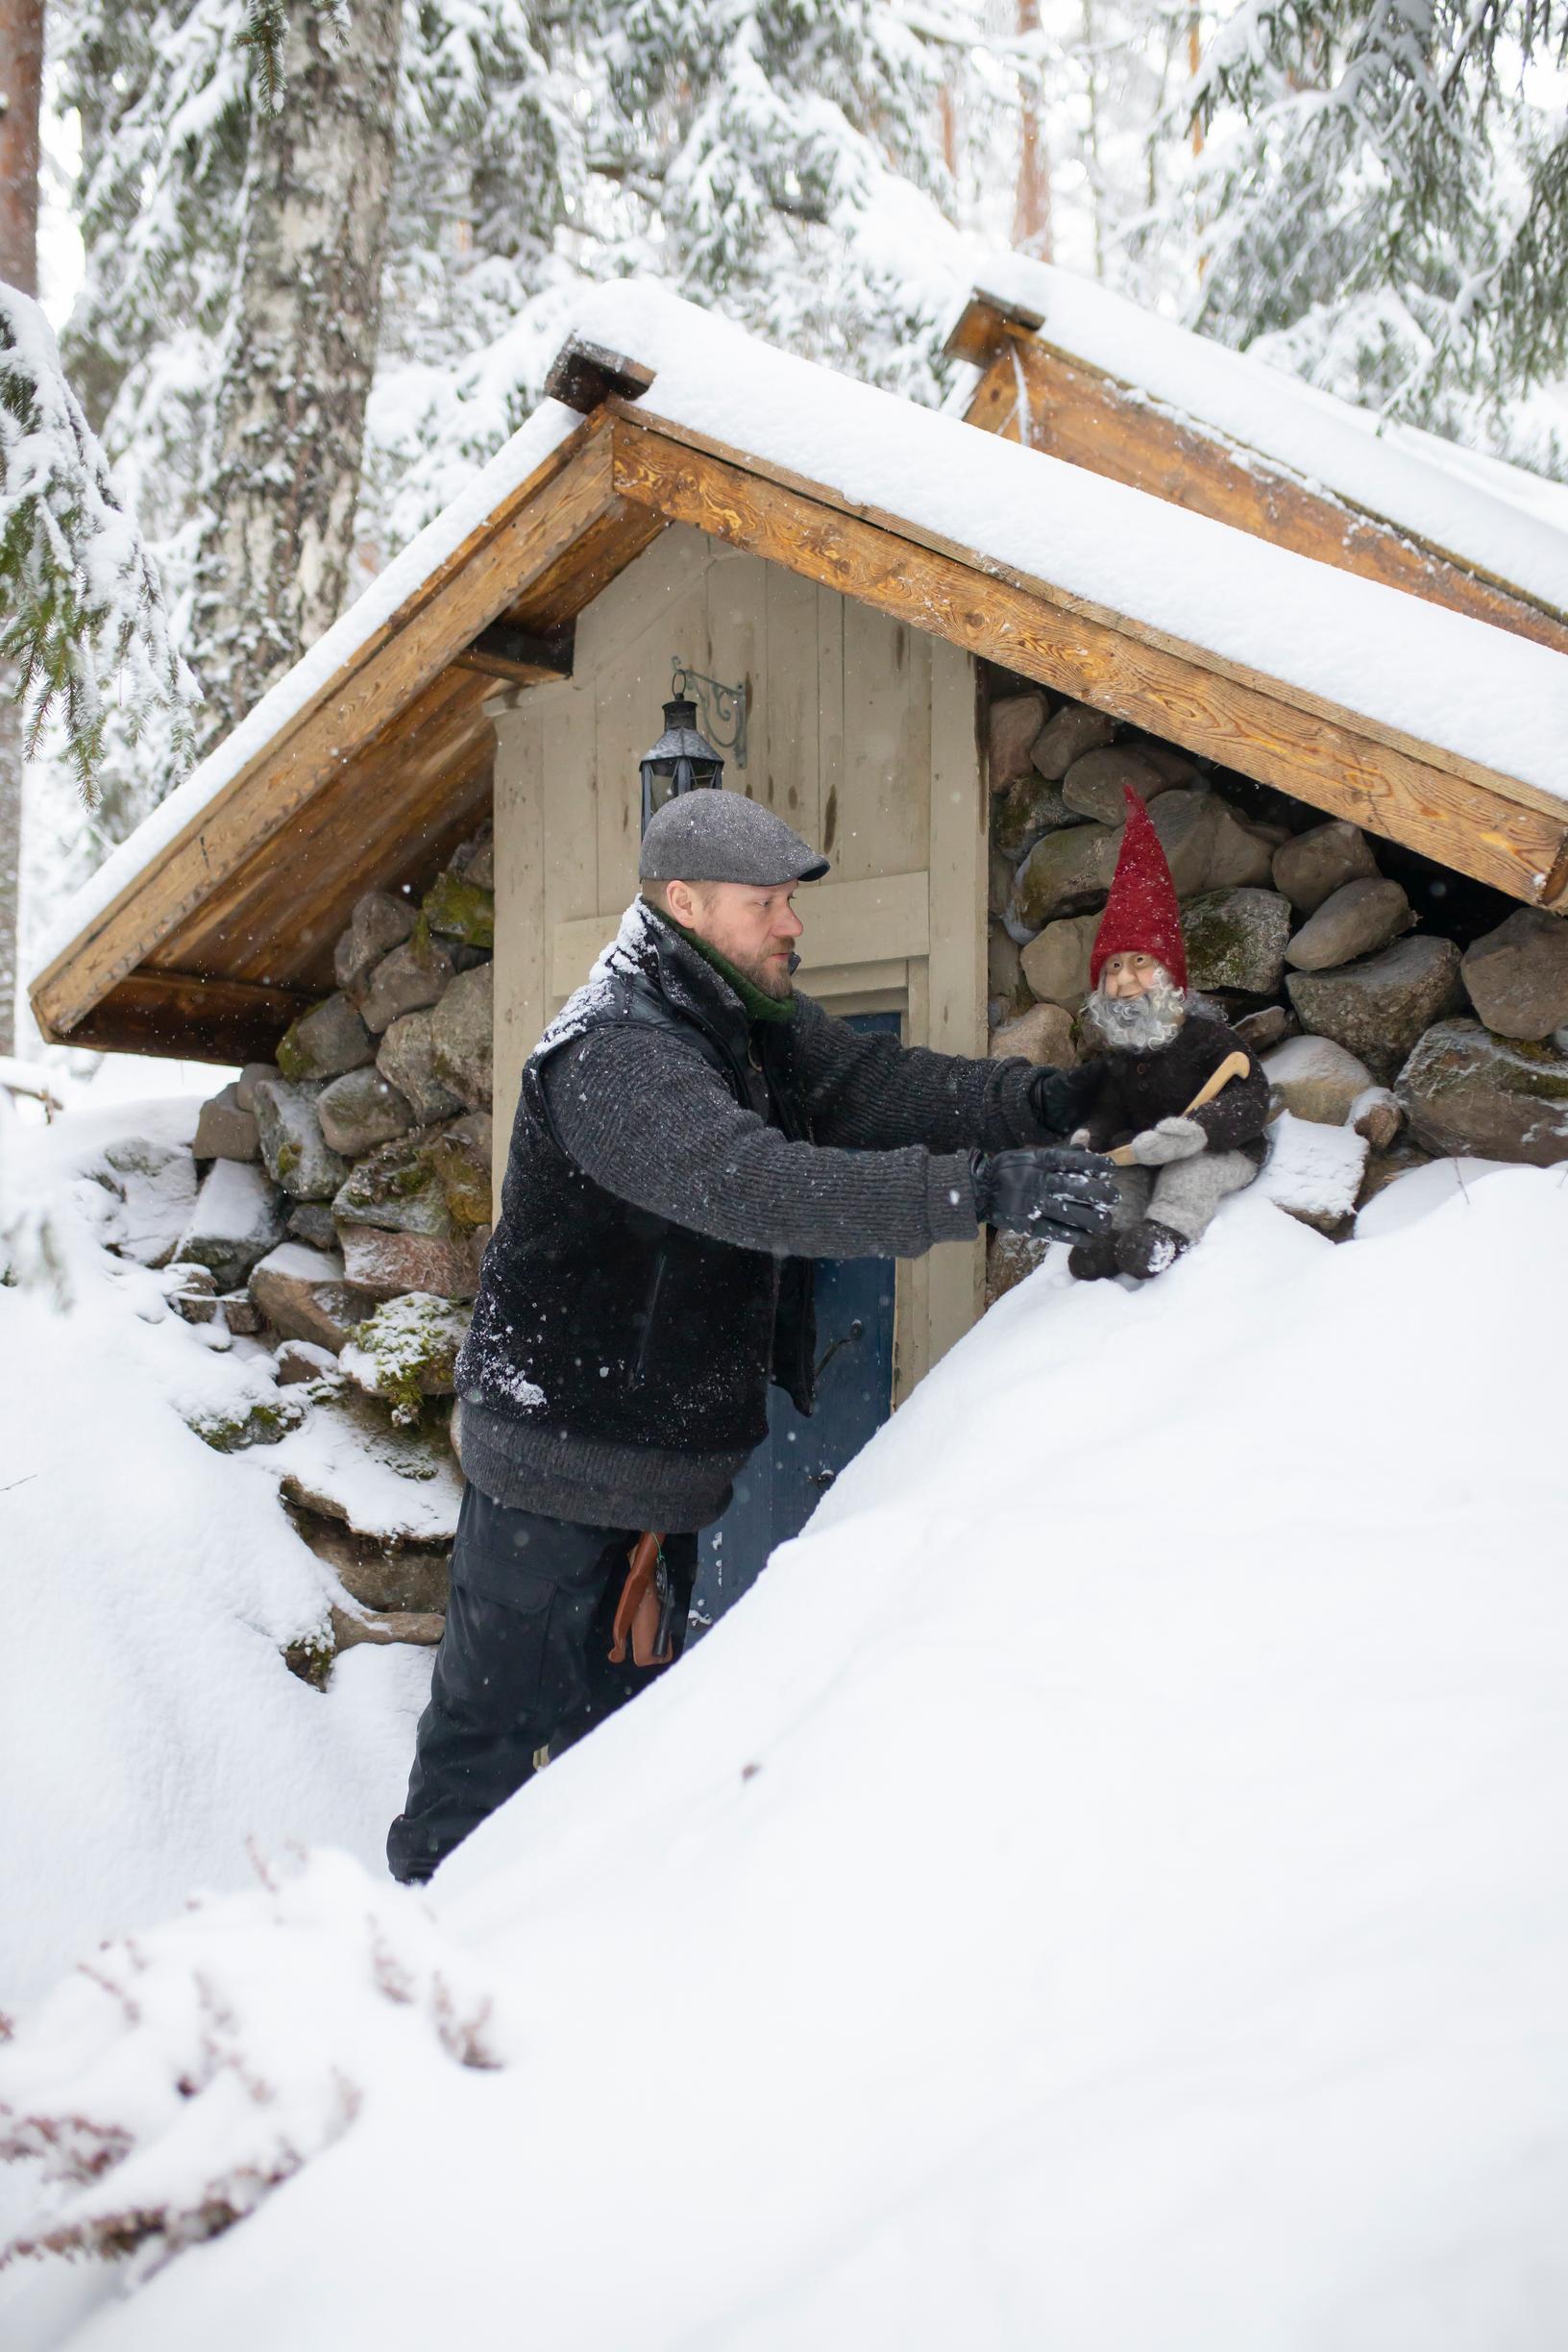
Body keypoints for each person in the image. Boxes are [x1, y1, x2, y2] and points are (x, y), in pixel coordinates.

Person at [386, 786, 1115, 1882]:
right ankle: (408, 1969)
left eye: (789, 901)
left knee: (611, 1768)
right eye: (767, 902)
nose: (792, 924)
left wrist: (1054, 1104)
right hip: (557, 1476)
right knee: (484, 1759)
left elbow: (877, 1085)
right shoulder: (616, 1051)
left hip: (657, 1478)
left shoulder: (741, 1019)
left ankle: (558, 1971)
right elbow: (755, 1187)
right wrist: (977, 1194)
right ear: (683, 902)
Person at [1066, 787, 1271, 1283]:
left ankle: (1164, 1237)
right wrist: (1089, 1137)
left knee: (1189, 1175)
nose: (1126, 979)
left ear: (1169, 977)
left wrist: (1199, 1131)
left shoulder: (1208, 1040)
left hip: (1216, 1150)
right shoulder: (1119, 1056)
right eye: (1113, 968)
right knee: (1123, 1178)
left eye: (1140, 962)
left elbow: (1251, 1096)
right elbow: (1110, 1108)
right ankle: (1108, 1239)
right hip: (1139, 1150)